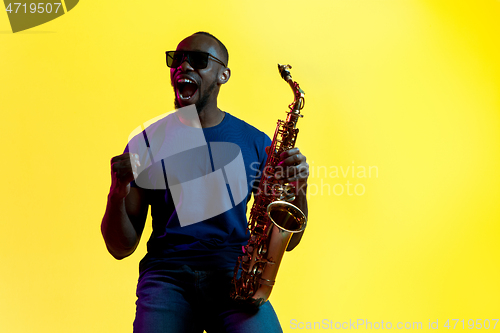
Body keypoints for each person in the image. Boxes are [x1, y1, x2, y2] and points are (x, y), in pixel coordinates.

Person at [101, 32, 309, 333]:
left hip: (234, 276)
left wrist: (298, 189)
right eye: (177, 59)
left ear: (223, 74)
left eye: (198, 60)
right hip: (166, 276)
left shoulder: (254, 142)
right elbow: (120, 248)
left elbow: (288, 239)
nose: (183, 66)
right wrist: (117, 193)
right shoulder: (144, 143)